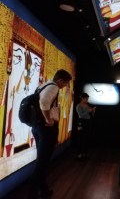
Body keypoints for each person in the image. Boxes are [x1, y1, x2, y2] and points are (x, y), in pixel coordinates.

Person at [27, 69, 72, 199]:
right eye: (65, 83)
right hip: (46, 129)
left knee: (42, 161)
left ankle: (44, 189)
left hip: (37, 127)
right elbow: (44, 103)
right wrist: (49, 119)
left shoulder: (44, 85)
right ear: (60, 80)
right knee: (42, 163)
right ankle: (31, 194)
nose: (64, 87)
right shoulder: (53, 87)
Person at [76, 92, 96, 159]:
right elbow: (81, 115)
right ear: (82, 98)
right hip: (81, 123)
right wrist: (89, 110)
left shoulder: (87, 105)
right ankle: (79, 153)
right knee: (80, 138)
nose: (87, 100)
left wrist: (93, 111)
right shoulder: (78, 106)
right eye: (86, 98)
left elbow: (91, 114)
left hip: (88, 122)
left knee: (87, 138)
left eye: (88, 98)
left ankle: (84, 153)